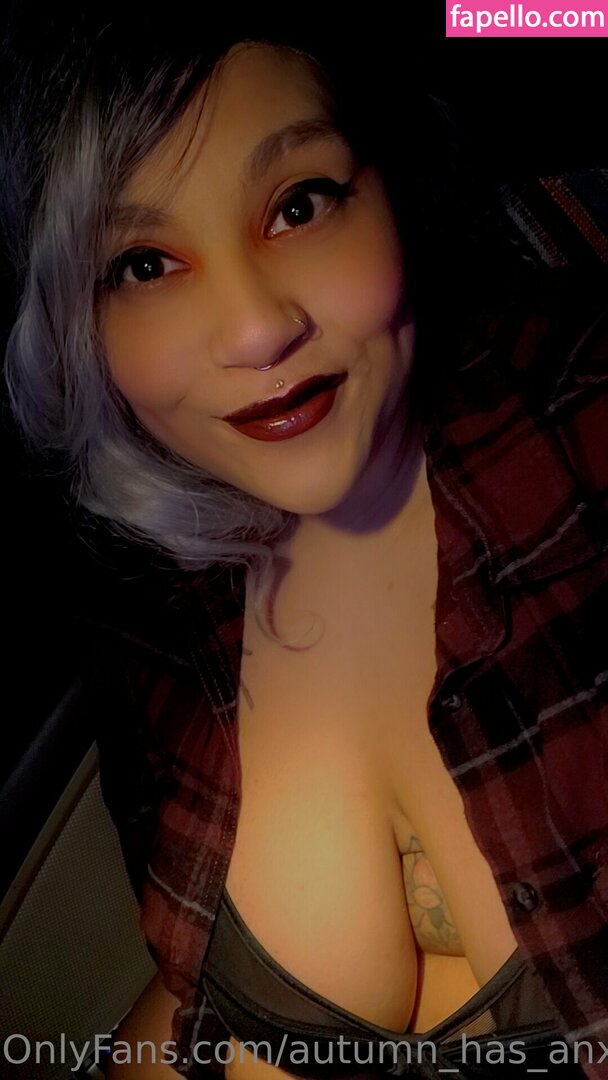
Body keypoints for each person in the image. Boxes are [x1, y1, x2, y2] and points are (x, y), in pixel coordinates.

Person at [1, 10, 607, 1080]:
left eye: (298, 205)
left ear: (391, 185)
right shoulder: (148, 595)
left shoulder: (582, 414)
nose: (254, 329)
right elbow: (194, 989)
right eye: (144, 264)